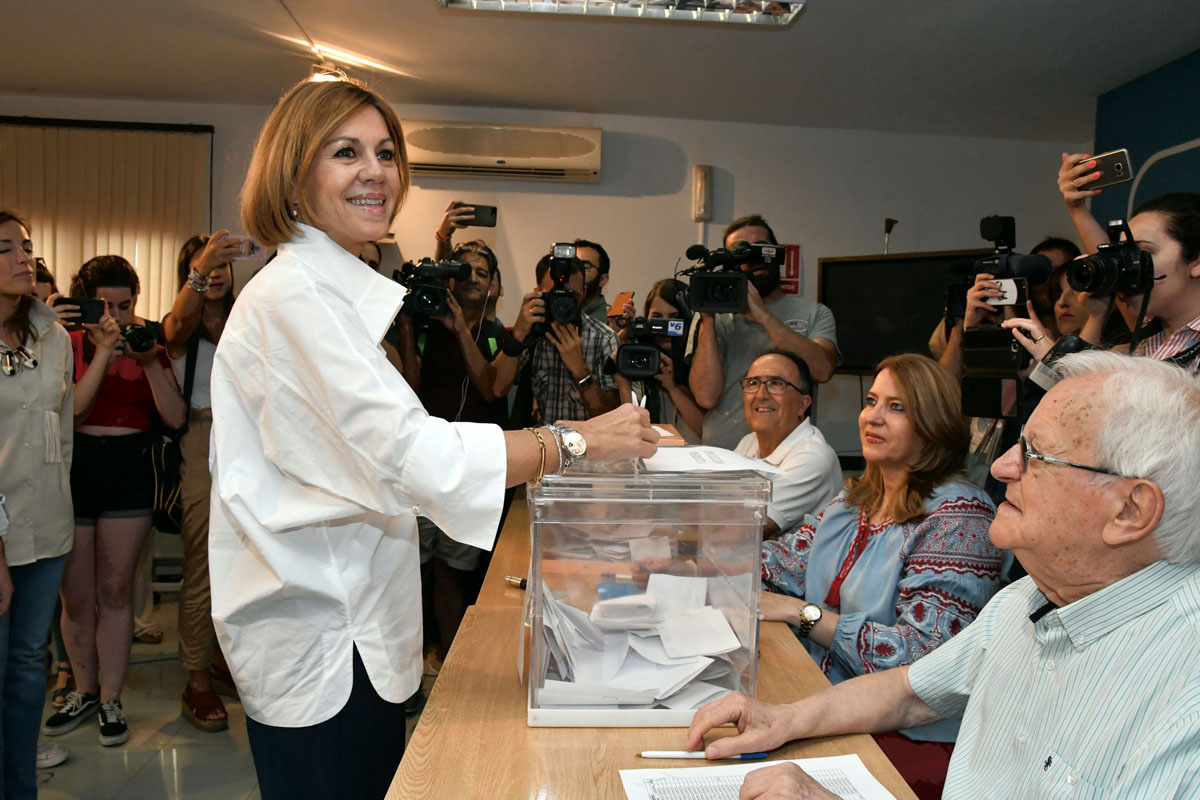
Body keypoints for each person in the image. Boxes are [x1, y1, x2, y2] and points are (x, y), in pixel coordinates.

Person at [211, 75, 657, 800]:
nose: (376, 172)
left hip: (358, 629)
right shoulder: (295, 300)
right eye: (345, 152)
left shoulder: (333, 295)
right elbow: (418, 457)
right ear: (294, 177)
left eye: (386, 153)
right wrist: (576, 440)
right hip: (325, 644)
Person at [688, 351, 1200, 800]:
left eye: (1035, 456)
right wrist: (783, 718)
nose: (1001, 468)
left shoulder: (1183, 695)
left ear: (1131, 511)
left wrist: (805, 616)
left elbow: (912, 657)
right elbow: (910, 690)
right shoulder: (1023, 601)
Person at [755, 353, 1001, 798]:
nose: (874, 416)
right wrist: (696, 557)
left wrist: (802, 614)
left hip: (908, 736)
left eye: (898, 407)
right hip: (828, 703)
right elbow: (784, 562)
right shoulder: (858, 500)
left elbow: (919, 662)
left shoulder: (961, 517)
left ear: (933, 422)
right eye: (871, 401)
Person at [42, 255, 185, 747]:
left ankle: (111, 698)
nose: (118, 316)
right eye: (106, 306)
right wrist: (102, 350)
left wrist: (148, 361)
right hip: (76, 465)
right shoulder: (67, 343)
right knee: (77, 596)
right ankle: (82, 688)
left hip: (129, 468)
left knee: (116, 591)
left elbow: (173, 416)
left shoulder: (149, 342)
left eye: (126, 306)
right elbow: (71, 411)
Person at [392, 239, 510, 661]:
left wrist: (460, 328)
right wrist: (408, 325)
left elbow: (490, 388)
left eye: (482, 272)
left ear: (494, 284)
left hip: (471, 470)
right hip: (421, 465)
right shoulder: (424, 331)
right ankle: (416, 649)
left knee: (453, 572)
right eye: (465, 272)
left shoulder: (498, 338)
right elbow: (409, 389)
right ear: (450, 281)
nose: (473, 279)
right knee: (414, 569)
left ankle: (449, 655)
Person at [0, 209, 75, 797]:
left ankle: (21, 785)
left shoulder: (51, 335)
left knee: (29, 671)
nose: (24, 257)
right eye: (6, 249)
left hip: (45, 528)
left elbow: (62, 433)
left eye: (25, 246)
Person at [161, 231, 243, 733]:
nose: (214, 274)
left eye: (221, 266)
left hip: (252, 443)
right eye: (203, 266)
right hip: (202, 437)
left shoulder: (247, 316)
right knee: (203, 561)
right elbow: (172, 331)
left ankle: (220, 657)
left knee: (245, 559)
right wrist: (202, 266)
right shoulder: (183, 320)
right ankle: (195, 678)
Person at [1006, 181, 1200, 378]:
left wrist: (1059, 361)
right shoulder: (1143, 339)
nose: (1126, 266)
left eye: (1142, 252)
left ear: (1197, 262)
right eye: (1122, 255)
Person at [690, 214, 838, 450]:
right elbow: (706, 396)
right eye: (742, 251)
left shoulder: (814, 313)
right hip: (722, 450)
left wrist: (764, 317)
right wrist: (708, 317)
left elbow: (822, 369)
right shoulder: (712, 317)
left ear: (776, 253)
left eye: (760, 248)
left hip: (787, 454)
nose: (752, 258)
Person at [490, 252, 619, 425]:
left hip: (590, 446)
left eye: (571, 295)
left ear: (584, 292)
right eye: (556, 295)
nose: (563, 304)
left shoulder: (603, 338)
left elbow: (612, 417)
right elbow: (496, 388)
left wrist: (581, 371)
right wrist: (519, 334)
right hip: (547, 443)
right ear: (538, 293)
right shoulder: (532, 334)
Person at [733, 351, 841, 535]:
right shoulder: (749, 441)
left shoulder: (813, 457)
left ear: (803, 405)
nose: (761, 394)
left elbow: (740, 531)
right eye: (753, 383)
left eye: (776, 383)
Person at [612, 278, 704, 442]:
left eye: (674, 317)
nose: (665, 326)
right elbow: (633, 426)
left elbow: (703, 429)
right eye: (657, 317)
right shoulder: (640, 352)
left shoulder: (701, 357)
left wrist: (672, 387)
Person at [574, 238, 611, 324]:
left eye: (585, 267)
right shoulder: (559, 313)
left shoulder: (611, 321)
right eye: (572, 266)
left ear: (602, 280)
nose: (576, 273)